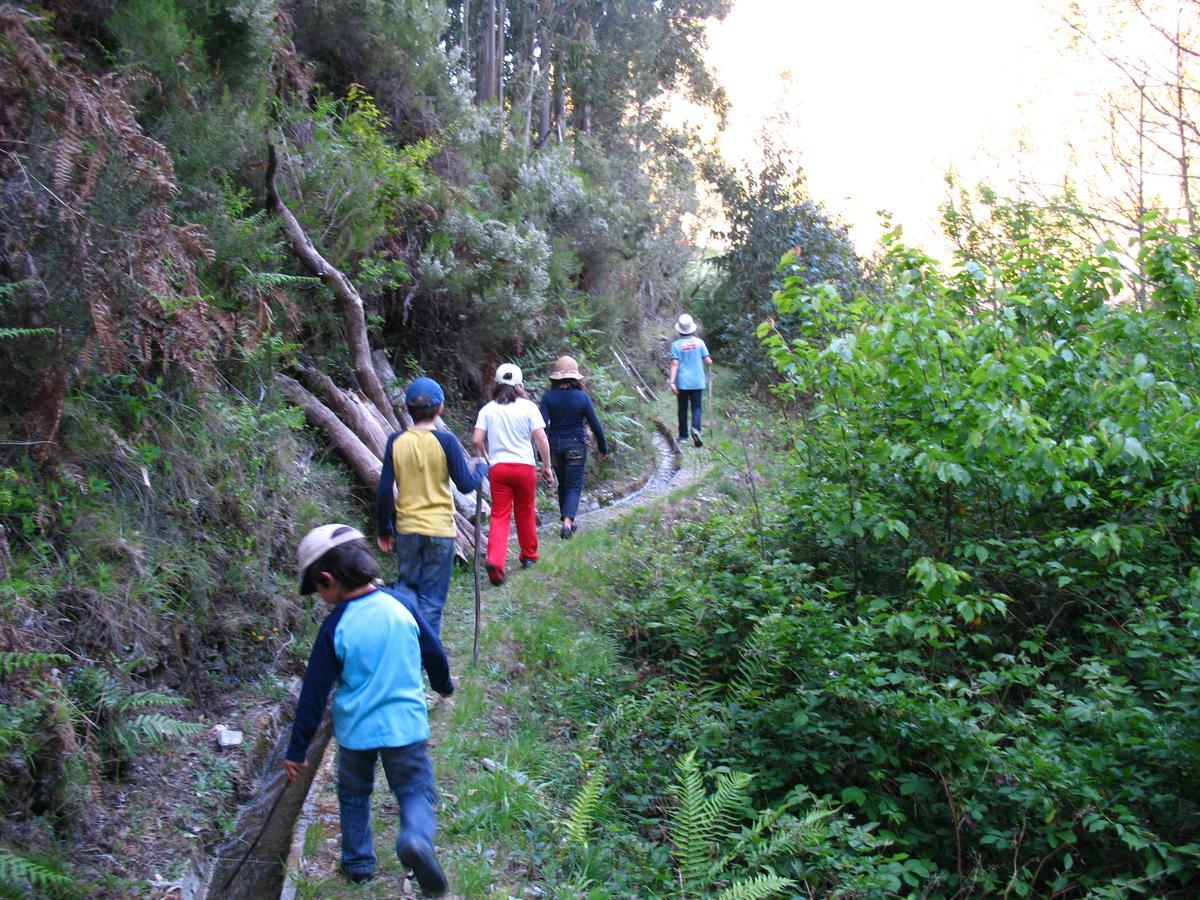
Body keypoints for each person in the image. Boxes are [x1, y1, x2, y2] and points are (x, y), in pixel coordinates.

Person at [283, 524, 453, 894]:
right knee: (415, 792)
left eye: (318, 590)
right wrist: (444, 686)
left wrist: (297, 751)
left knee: (354, 794)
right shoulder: (402, 604)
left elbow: (313, 695)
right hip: (405, 727)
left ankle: (358, 863)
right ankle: (415, 839)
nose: (321, 597)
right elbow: (434, 653)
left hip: (356, 733)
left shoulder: (335, 627)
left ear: (328, 579)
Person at [375, 376, 488, 635]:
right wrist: (482, 468)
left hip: (407, 530)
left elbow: (384, 491)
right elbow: (465, 484)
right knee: (433, 600)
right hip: (440, 530)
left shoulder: (395, 441)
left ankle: (406, 643)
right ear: (440, 409)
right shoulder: (446, 441)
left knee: (407, 590)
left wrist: (384, 528)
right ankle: (426, 654)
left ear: (409, 411)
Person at [472, 364, 555, 585]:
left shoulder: (488, 410)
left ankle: (496, 562)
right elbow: (541, 439)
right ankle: (529, 555)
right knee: (525, 510)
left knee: (500, 515)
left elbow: (476, 440)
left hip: (499, 468)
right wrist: (546, 466)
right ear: (520, 386)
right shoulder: (528, 408)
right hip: (524, 468)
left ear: (497, 385)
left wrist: (485, 456)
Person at [539, 355, 608, 540]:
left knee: (563, 484)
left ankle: (567, 521)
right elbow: (595, 424)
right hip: (576, 445)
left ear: (555, 378)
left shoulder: (548, 397)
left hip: (554, 447)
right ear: (575, 378)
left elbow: (541, 425)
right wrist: (603, 447)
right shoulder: (582, 397)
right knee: (574, 485)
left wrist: (540, 453)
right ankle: (568, 523)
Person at [669, 313, 713, 447]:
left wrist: (671, 382)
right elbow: (707, 361)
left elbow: (675, 364)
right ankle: (695, 429)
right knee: (697, 407)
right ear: (692, 328)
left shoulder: (676, 345)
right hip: (697, 381)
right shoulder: (699, 343)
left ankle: (683, 437)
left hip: (682, 383)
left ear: (679, 329)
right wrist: (709, 362)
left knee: (682, 409)